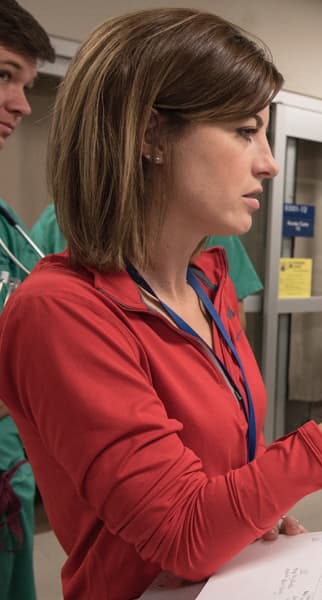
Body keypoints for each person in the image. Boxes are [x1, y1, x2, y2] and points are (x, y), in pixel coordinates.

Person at [0, 9, 322, 599]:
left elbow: (218, 474)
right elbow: (184, 531)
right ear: (150, 136)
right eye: (246, 131)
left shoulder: (206, 282)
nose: (269, 162)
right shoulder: (61, 312)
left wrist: (254, 513)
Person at [0, 2, 54, 599]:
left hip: (8, 480)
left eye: (25, 84)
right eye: (3, 76)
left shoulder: (8, 230)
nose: (20, 104)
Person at [31, 203, 262, 325]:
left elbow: (233, 319)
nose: (269, 165)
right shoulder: (58, 222)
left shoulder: (210, 224)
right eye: (244, 132)